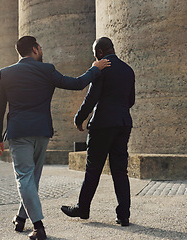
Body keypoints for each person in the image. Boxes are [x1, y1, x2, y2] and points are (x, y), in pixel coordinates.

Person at [0, 36, 110, 240]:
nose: (42, 50)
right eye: (40, 47)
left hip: (19, 133)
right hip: (42, 132)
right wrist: (95, 68)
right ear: (35, 49)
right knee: (31, 178)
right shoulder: (47, 70)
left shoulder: (6, 73)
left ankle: (38, 226)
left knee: (25, 178)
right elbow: (77, 83)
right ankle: (20, 218)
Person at [61, 37, 135, 227]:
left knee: (93, 168)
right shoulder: (128, 70)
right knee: (120, 170)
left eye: (95, 53)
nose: (94, 57)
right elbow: (131, 100)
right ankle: (124, 215)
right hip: (123, 123)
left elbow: (91, 97)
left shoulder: (101, 68)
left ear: (100, 52)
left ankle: (83, 208)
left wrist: (79, 118)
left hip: (102, 125)